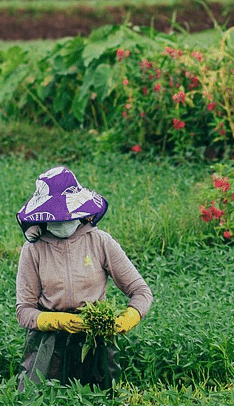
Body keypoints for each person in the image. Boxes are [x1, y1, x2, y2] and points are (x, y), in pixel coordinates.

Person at [14, 166, 152, 390]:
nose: (62, 221)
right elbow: (24, 310)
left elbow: (141, 291)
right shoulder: (33, 250)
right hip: (48, 343)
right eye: (55, 216)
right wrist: (57, 320)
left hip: (94, 337)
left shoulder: (100, 242)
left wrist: (127, 318)